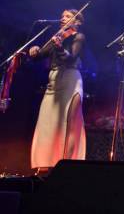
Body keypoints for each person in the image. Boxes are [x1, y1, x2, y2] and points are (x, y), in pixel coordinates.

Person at [28, 9, 86, 173]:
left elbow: (71, 57)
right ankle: (46, 164)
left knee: (70, 124)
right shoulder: (57, 37)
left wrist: (60, 47)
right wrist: (34, 50)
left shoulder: (78, 37)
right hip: (53, 82)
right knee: (47, 123)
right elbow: (39, 55)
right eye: (62, 16)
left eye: (68, 16)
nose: (63, 18)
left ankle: (67, 166)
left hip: (70, 79)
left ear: (78, 22)